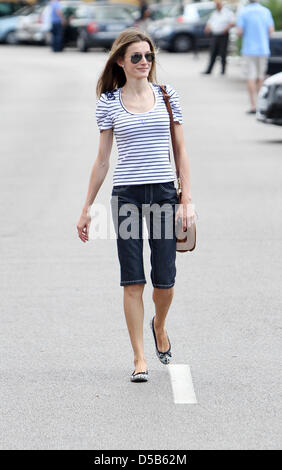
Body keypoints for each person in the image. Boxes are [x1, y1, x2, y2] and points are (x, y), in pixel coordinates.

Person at [76, 29, 195, 383]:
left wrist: (186, 198)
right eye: (137, 57)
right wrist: (86, 208)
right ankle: (140, 356)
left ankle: (159, 323)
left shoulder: (167, 96)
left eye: (149, 57)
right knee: (132, 281)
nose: (144, 62)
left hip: (162, 194)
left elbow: (181, 151)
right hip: (126, 196)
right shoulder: (109, 103)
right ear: (120, 62)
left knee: (165, 282)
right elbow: (101, 162)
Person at [237, 0, 275, 114]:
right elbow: (271, 30)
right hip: (263, 49)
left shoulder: (243, 12)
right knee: (261, 77)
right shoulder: (265, 11)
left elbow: (239, 31)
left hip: (249, 49)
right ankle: (260, 105)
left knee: (251, 77)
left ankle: (253, 105)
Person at [202, 0, 235, 75]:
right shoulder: (214, 13)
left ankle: (223, 71)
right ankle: (209, 70)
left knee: (223, 53)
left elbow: (233, 22)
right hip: (215, 35)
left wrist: (226, 28)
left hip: (223, 35)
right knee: (213, 52)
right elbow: (210, 23)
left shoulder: (227, 13)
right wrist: (208, 28)